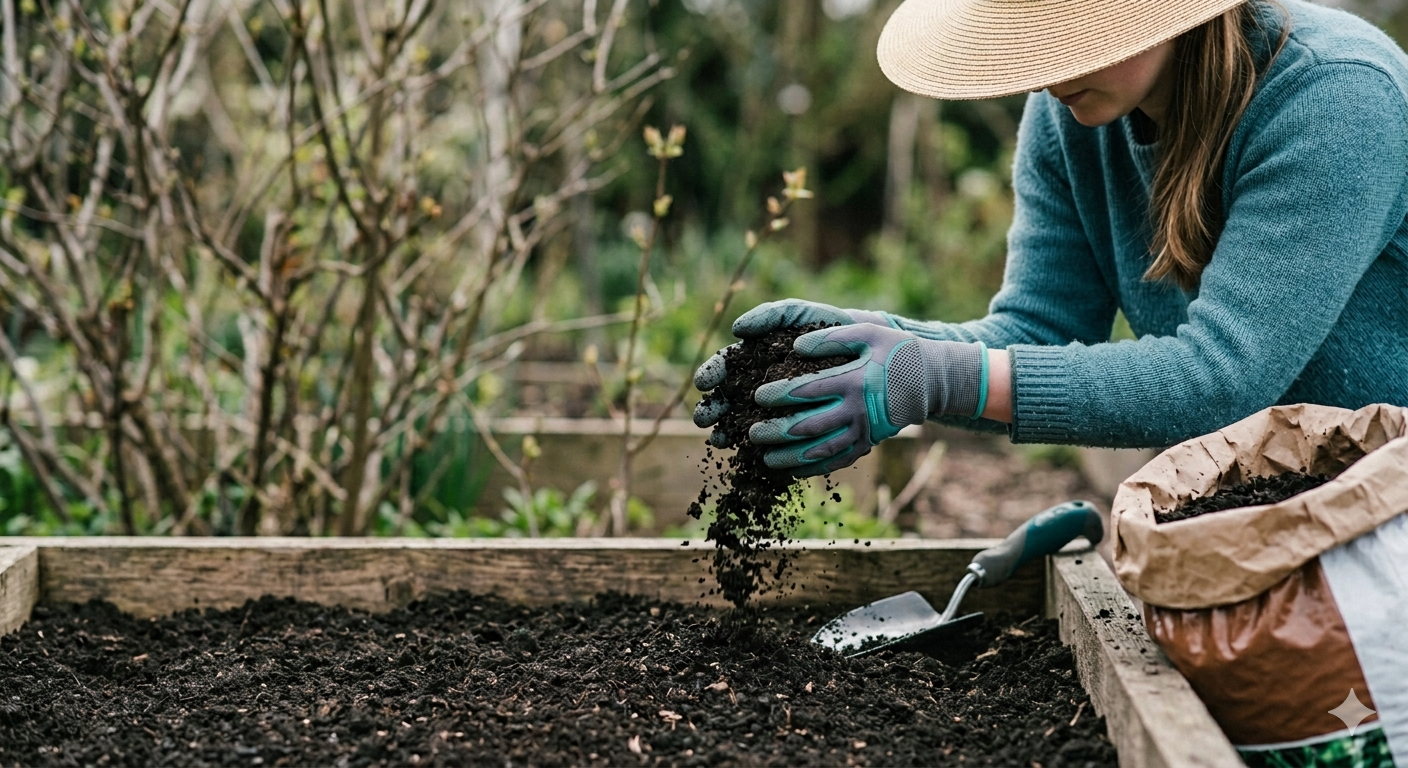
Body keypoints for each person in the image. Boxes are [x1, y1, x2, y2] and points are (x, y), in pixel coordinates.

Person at [693, 0, 1408, 478]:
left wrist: (935, 376)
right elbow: (1036, 329)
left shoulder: (1334, 99)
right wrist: (875, 343)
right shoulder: (1070, 115)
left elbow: (1218, 378)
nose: (1044, 69)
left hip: (1386, 513)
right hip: (1258, 508)